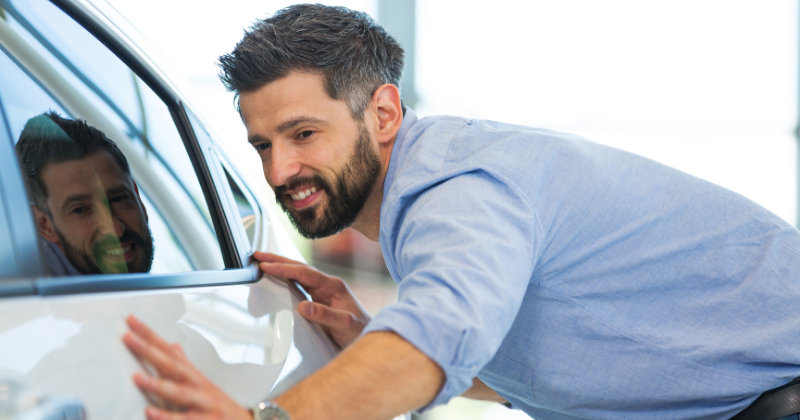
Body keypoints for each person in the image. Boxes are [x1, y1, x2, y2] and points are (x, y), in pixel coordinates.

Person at [121, 4, 800, 420]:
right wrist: (373, 339)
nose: (277, 172)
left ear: (383, 112)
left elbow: (438, 339)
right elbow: (544, 363)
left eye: (304, 134)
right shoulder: (435, 188)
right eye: (262, 145)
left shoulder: (457, 187)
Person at [16, 111, 154, 275]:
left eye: (119, 199)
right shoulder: (23, 285)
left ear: (137, 197)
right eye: (80, 210)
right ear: (44, 225)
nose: (115, 229)